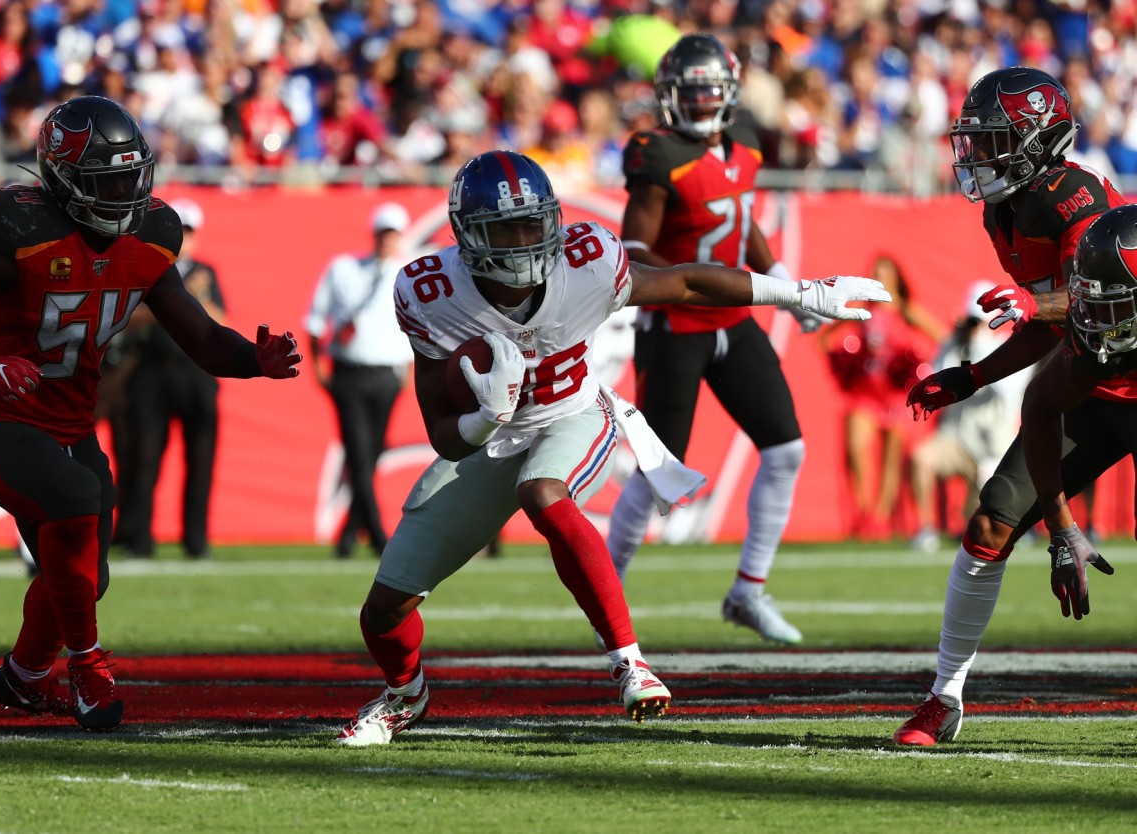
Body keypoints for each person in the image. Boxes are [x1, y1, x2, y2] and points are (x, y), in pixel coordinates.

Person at [334, 149, 890, 746]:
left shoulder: (586, 261)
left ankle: (630, 662)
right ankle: (405, 694)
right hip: (490, 440)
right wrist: (482, 419)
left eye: (532, 223)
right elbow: (440, 428)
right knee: (383, 611)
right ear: (469, 235)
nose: (523, 241)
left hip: (574, 416)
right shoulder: (430, 291)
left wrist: (798, 292)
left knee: (543, 492)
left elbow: (686, 280)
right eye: (505, 229)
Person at [0, 96, 300, 732]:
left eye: (130, 176)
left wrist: (253, 358)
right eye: (106, 180)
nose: (122, 193)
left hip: (72, 428)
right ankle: (87, 667)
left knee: (84, 577)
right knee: (76, 500)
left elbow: (203, 339)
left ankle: (22, 677)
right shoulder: (20, 235)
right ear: (62, 178)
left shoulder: (150, 236)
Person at [894, 67, 1127, 747]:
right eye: (976, 140)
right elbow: (1057, 325)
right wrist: (971, 377)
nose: (979, 155)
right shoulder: (1005, 211)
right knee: (993, 522)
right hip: (1087, 381)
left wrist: (1039, 304)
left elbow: (1088, 298)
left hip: (1129, 370)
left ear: (1040, 140)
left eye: (995, 139)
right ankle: (944, 697)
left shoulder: (1076, 197)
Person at [604, 34, 825, 647]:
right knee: (656, 476)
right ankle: (604, 595)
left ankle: (748, 591)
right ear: (669, 96)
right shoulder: (656, 152)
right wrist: (676, 285)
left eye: (710, 92)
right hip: (676, 326)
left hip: (732, 322)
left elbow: (743, 218)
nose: (701, 105)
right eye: (690, 93)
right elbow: (636, 247)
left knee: (786, 451)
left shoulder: (747, 145)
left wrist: (780, 277)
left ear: (728, 95)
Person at [1021, 205, 1137, 621]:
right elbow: (1040, 403)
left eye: (1114, 304)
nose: (1098, 319)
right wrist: (1062, 527)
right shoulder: (1099, 340)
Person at [113, 198, 226, 560]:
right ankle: (139, 539)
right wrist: (177, 302)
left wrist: (197, 297)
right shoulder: (145, 269)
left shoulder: (205, 273)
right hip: (153, 370)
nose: (184, 239)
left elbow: (222, 321)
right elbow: (124, 318)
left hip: (196, 372)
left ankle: (196, 541)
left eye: (189, 232)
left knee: (201, 461)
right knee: (143, 460)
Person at [304, 202, 414, 558]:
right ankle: (378, 531)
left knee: (368, 453)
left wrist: (408, 373)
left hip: (386, 374)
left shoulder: (406, 274)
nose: (388, 240)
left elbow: (416, 332)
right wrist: (319, 363)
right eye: (384, 233)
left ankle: (350, 531)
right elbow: (317, 318)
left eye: (393, 233)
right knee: (359, 449)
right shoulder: (345, 269)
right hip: (349, 372)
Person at [820, 255, 945, 540]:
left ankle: (879, 519)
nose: (878, 275)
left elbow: (941, 338)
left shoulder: (905, 310)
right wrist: (843, 365)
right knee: (855, 448)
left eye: (884, 272)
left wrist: (917, 368)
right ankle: (863, 513)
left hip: (894, 396)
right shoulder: (863, 309)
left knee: (891, 458)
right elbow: (825, 339)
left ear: (895, 278)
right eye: (875, 272)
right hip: (865, 394)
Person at [909, 281, 1032, 553]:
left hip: (994, 450)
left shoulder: (1014, 348)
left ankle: (1023, 529)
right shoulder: (956, 346)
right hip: (958, 442)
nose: (973, 326)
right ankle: (925, 529)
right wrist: (956, 341)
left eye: (977, 320)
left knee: (982, 528)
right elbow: (940, 377)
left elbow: (1002, 390)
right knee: (922, 458)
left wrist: (977, 345)